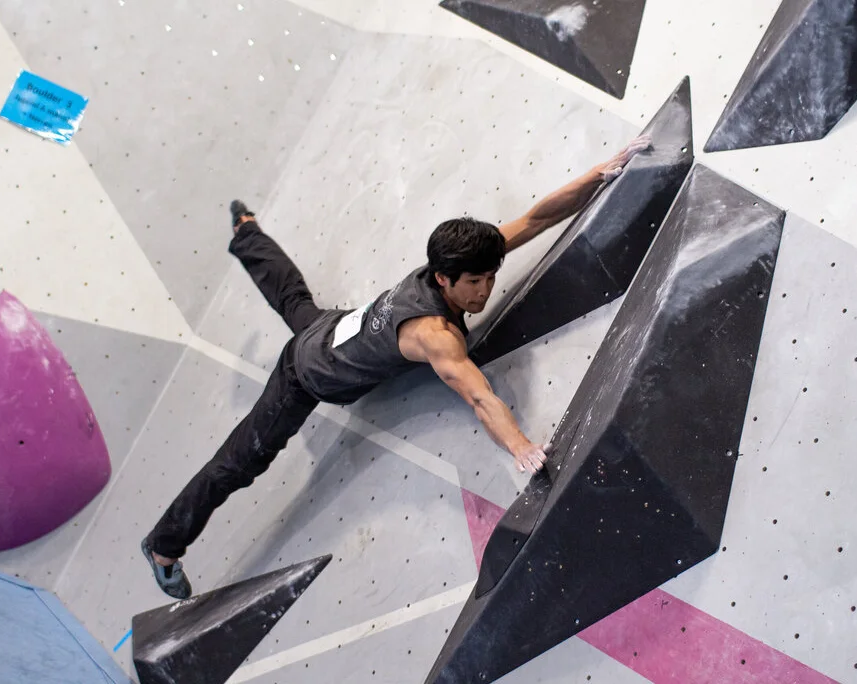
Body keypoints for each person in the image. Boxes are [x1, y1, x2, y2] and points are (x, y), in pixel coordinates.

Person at [141, 135, 653, 598]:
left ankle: (247, 231)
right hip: (307, 374)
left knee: (295, 300)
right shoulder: (435, 336)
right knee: (240, 462)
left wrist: (601, 171)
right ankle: (163, 546)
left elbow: (536, 219)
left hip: (335, 326)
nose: (486, 290)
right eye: (475, 283)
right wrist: (521, 446)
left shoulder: (457, 258)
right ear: (443, 279)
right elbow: (479, 396)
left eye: (490, 278)